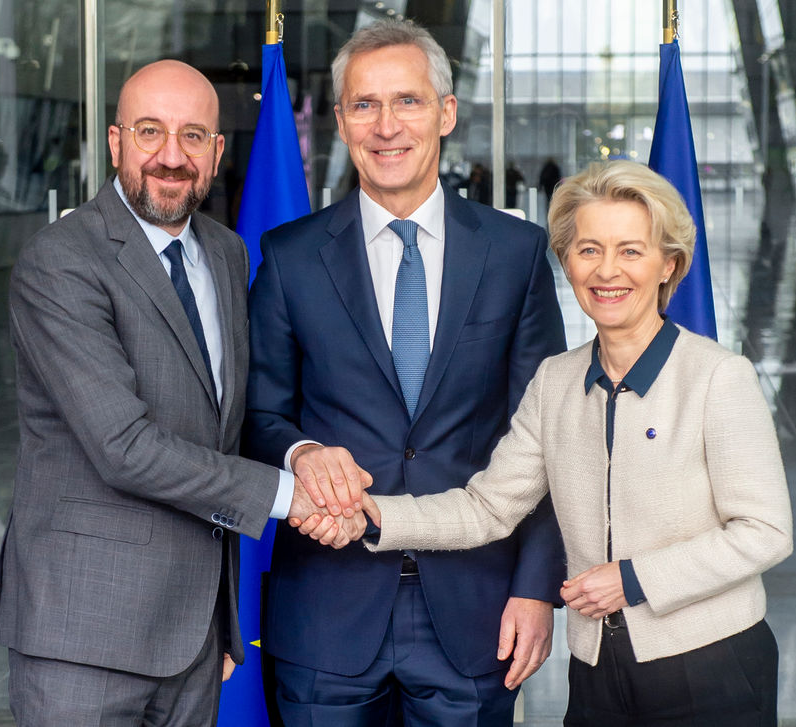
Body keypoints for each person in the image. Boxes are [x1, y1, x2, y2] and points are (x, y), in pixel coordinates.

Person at [326, 160, 794, 725]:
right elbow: (488, 508)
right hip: (597, 667)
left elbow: (764, 532)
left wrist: (633, 579)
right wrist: (374, 516)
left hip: (712, 663)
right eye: (589, 249)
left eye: (631, 250)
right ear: (567, 263)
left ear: (669, 265)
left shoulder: (719, 377)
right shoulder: (555, 382)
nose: (607, 270)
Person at [0, 60, 360, 726]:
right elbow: (123, 446)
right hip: (83, 638)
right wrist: (287, 496)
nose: (170, 156)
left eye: (193, 136)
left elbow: (225, 418)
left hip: (191, 638)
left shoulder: (226, 254)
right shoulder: (61, 260)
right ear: (115, 142)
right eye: (149, 131)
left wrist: (306, 455)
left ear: (217, 153)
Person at [245, 19, 567, 725]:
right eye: (364, 105)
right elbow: (257, 415)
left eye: (408, 102)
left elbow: (549, 436)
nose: (386, 126)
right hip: (326, 614)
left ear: (446, 112)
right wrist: (302, 454)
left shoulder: (514, 255)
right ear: (341, 120)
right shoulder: (291, 256)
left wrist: (537, 588)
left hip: (477, 612)